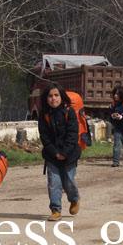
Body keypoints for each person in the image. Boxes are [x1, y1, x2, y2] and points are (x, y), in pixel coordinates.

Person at [38, 84, 81, 221]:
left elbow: (73, 134)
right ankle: (55, 209)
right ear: (46, 99)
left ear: (62, 97)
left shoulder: (70, 112)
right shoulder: (44, 115)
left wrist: (64, 152)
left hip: (70, 154)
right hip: (52, 156)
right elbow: (44, 137)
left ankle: (74, 199)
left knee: (68, 182)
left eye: (56, 95)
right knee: (54, 183)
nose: (53, 98)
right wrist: (55, 153)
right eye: (50, 96)